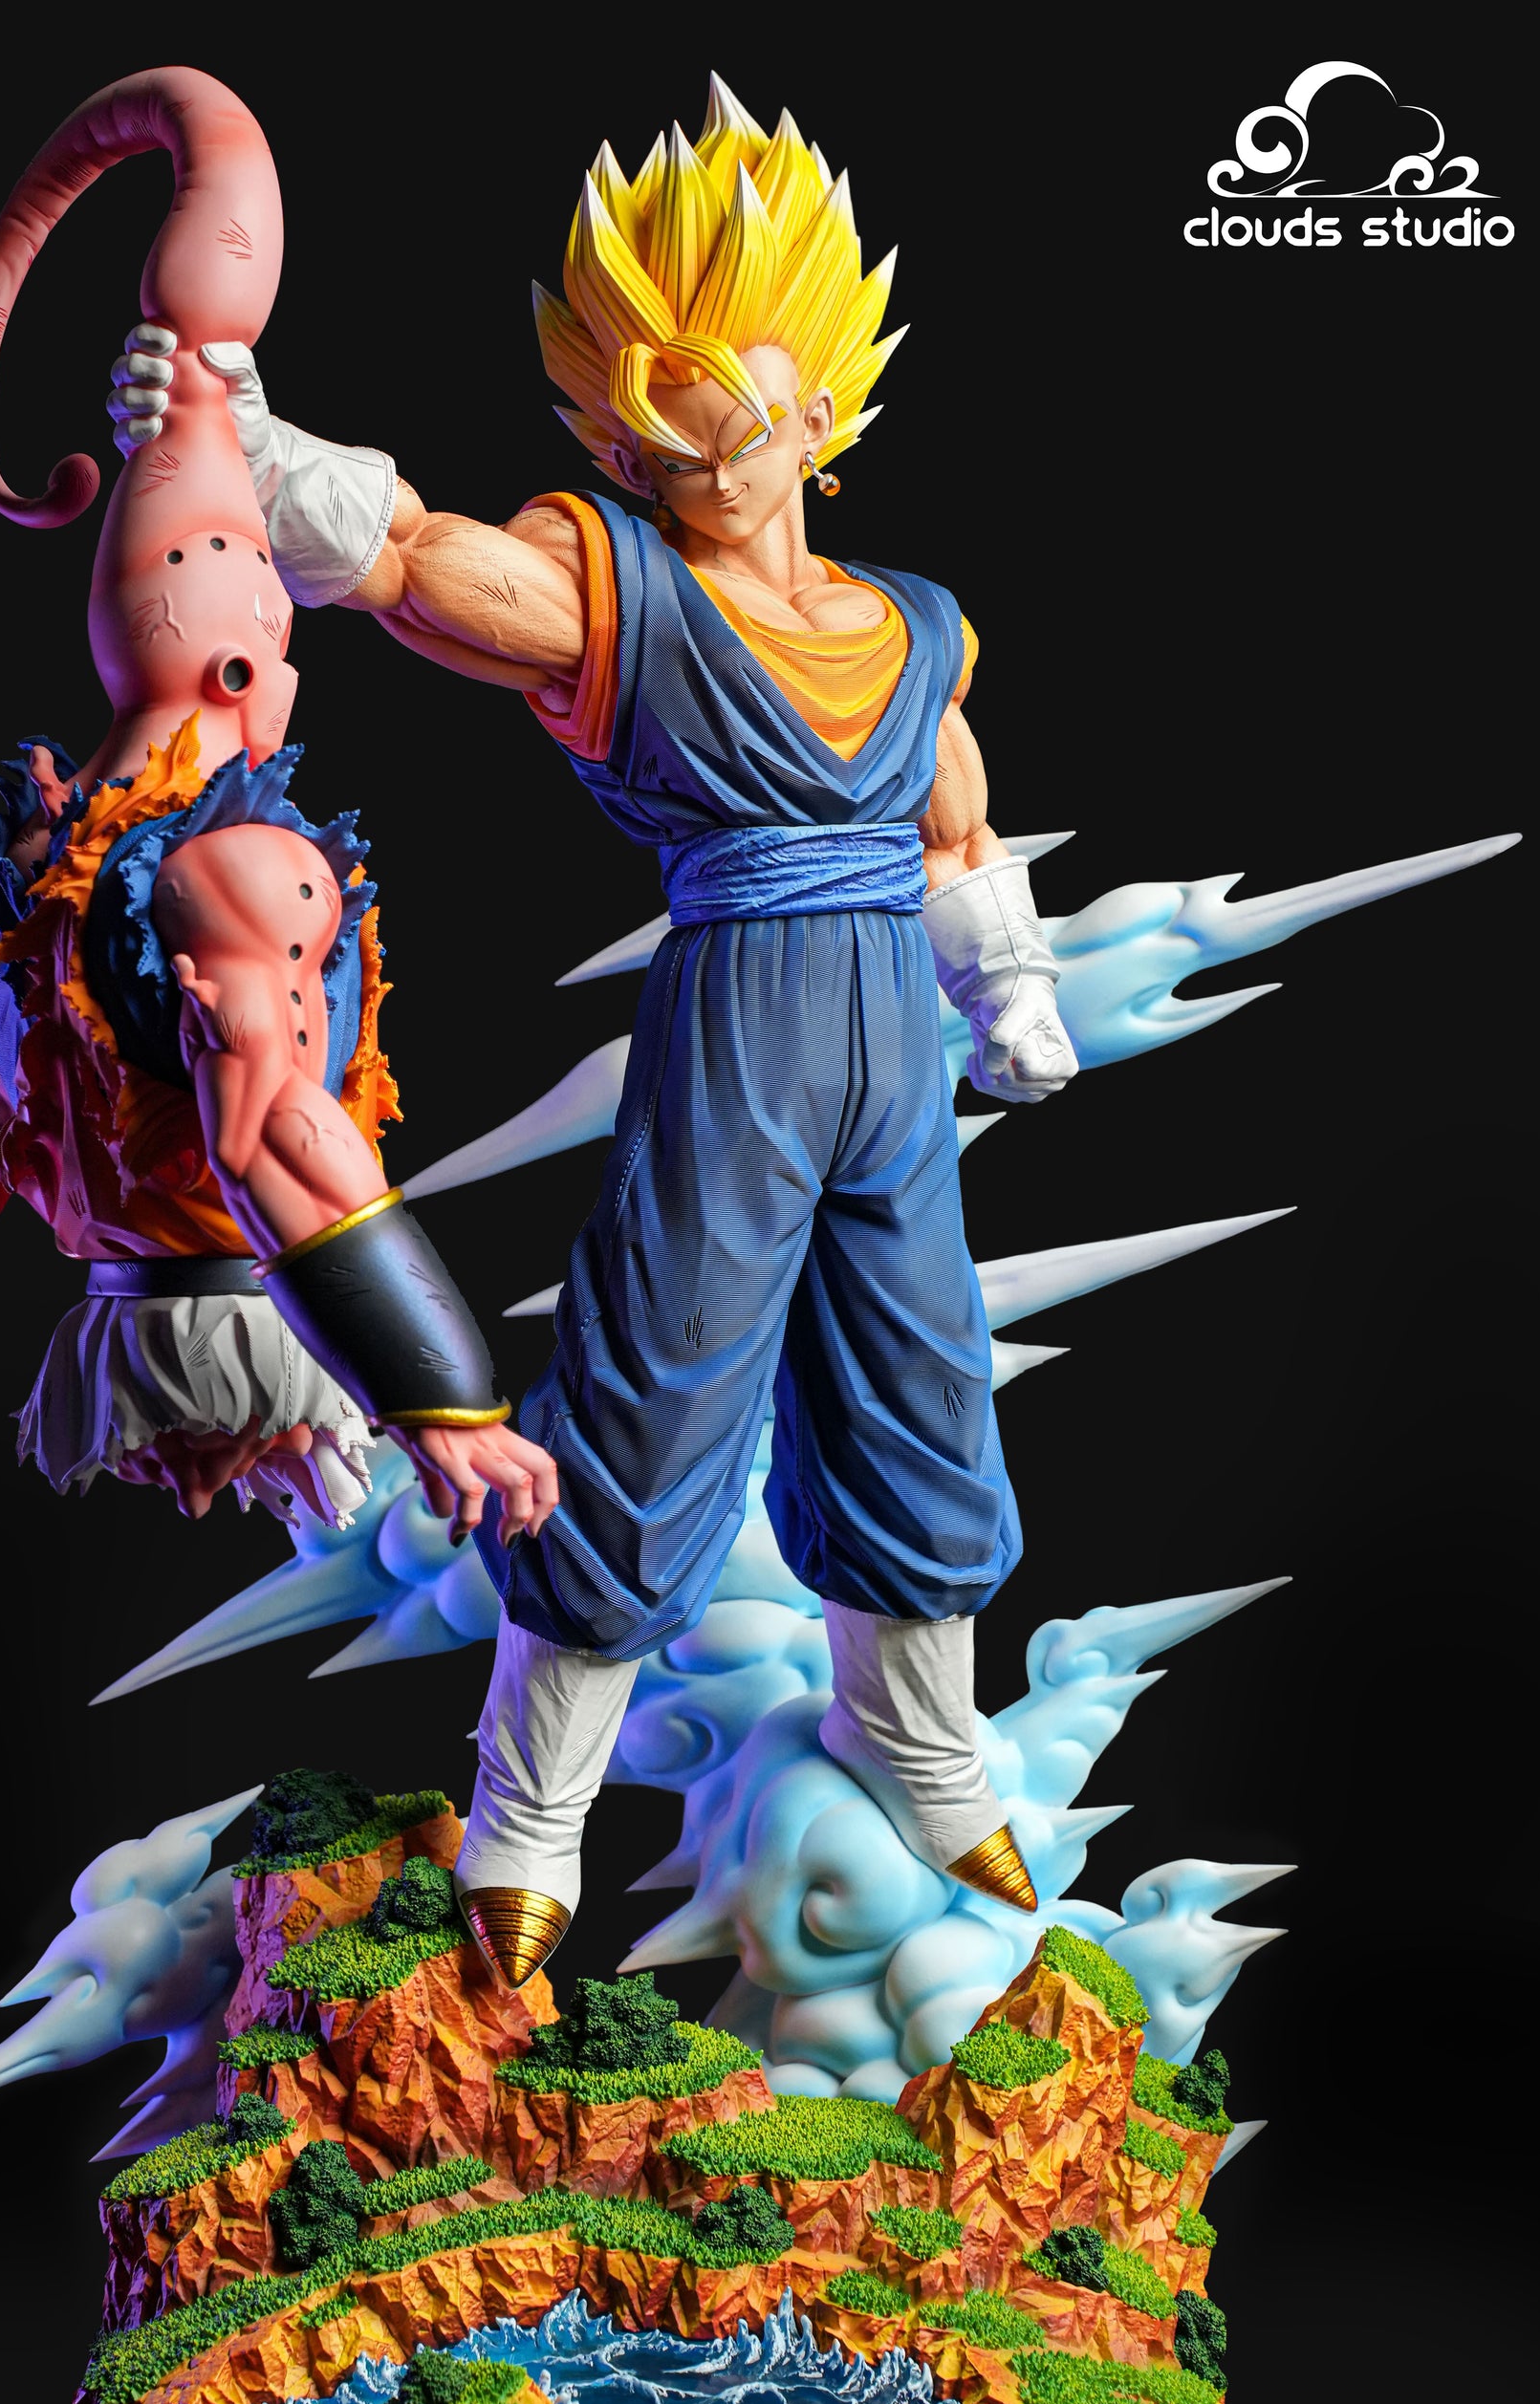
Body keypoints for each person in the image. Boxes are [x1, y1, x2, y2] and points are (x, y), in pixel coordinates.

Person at [107, 80, 1079, 1985]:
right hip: (738, 1039)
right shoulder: (603, 590)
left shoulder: (914, 627)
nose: (670, 428)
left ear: (819, 397)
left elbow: (956, 823)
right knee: (651, 1393)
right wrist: (243, 434)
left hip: (893, 1056)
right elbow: (408, 561)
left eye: (707, 382)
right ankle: (530, 1804)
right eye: (630, 402)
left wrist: (1008, 982)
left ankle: (920, 1734)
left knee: (920, 1386)